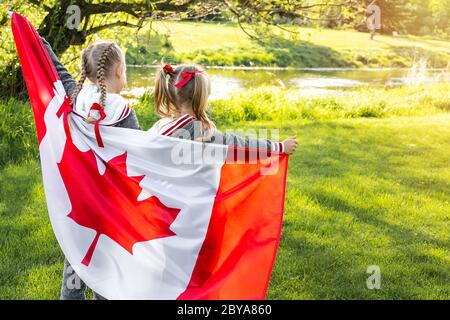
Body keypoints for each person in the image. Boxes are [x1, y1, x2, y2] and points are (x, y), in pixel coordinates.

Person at [42, 38, 141, 300]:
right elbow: (143, 156)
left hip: (78, 202)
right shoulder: (122, 112)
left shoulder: (74, 99)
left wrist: (37, 39)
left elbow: (57, 69)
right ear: (119, 69)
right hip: (111, 208)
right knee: (107, 270)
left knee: (76, 260)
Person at [150, 64, 298, 155]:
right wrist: (279, 146)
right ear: (203, 98)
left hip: (162, 197)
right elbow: (241, 146)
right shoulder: (201, 132)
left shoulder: (160, 126)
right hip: (192, 201)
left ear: (170, 94)